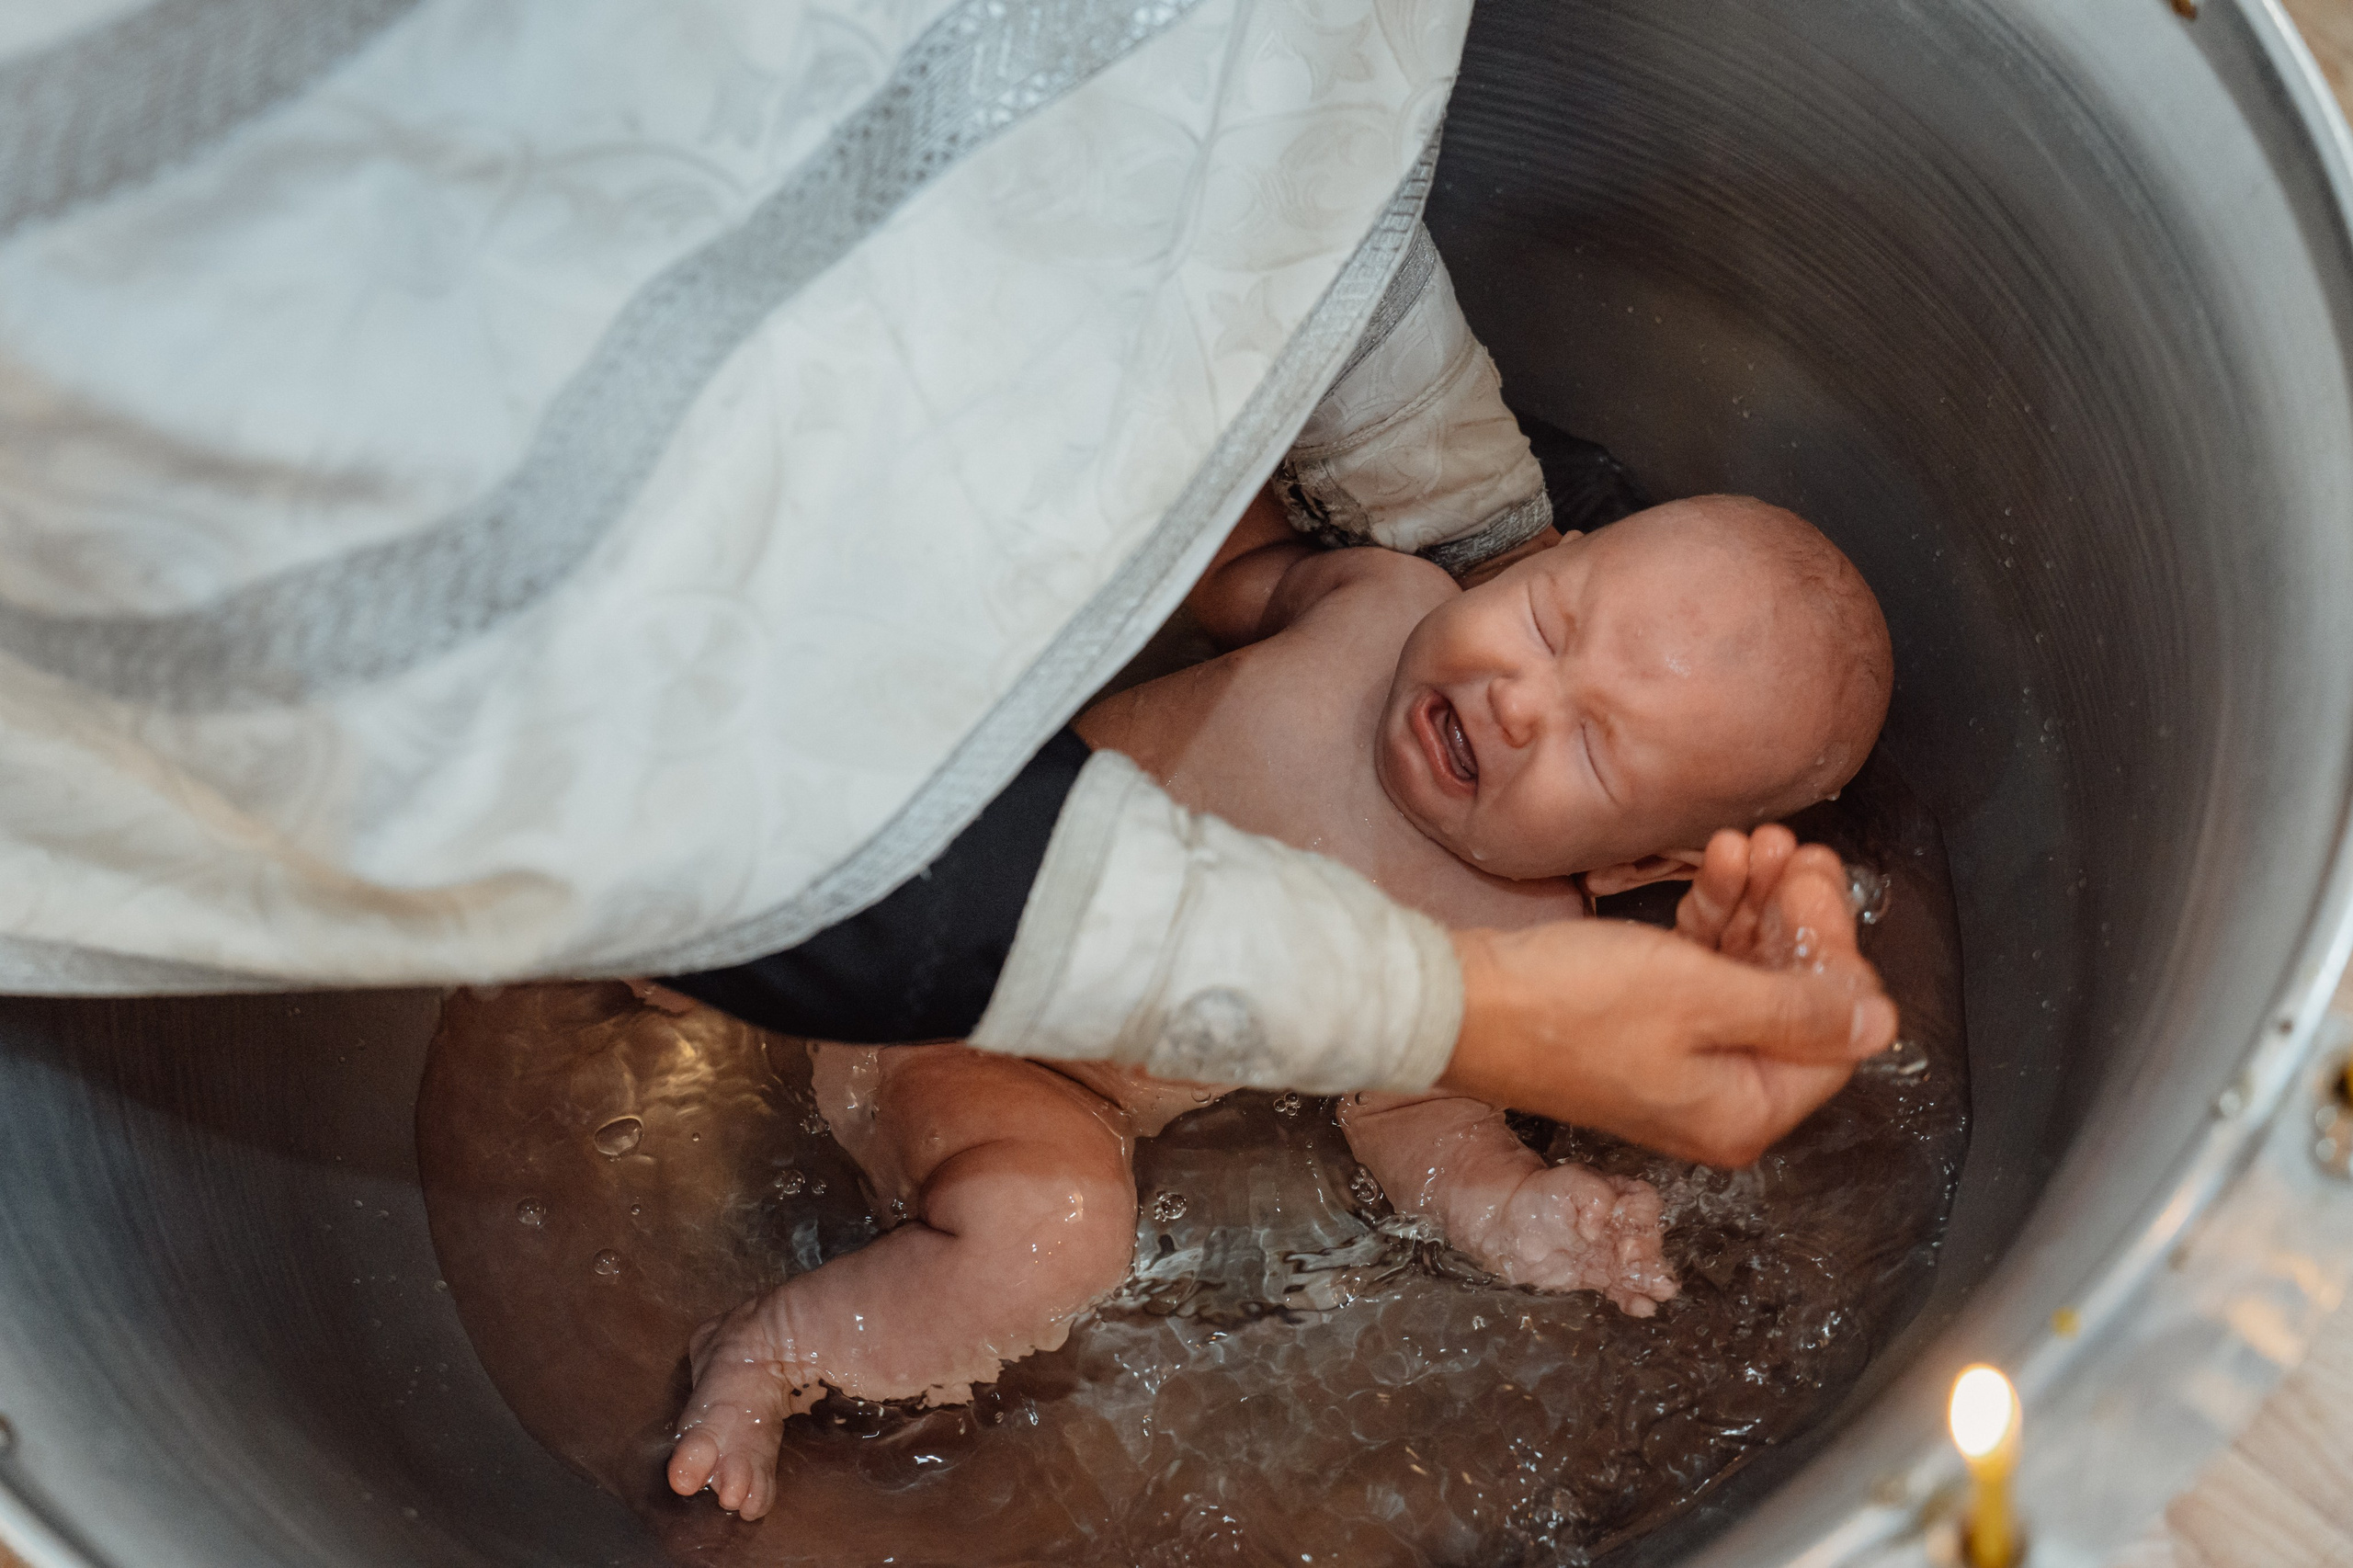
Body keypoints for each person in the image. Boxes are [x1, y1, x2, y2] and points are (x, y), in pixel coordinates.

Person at [662, 488, 1896, 1518]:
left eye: (1595, 748)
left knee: (1061, 1226)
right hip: (920, 880)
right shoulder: (1381, 601)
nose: (1523, 699)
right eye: (1552, 623)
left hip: (1019, 1088)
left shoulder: (1524, 942)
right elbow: (1227, 560)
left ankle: (774, 1348)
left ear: (1642, 867)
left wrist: (1517, 1207)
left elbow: (1413, 1112)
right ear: (1543, 556)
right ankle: (674, 918)